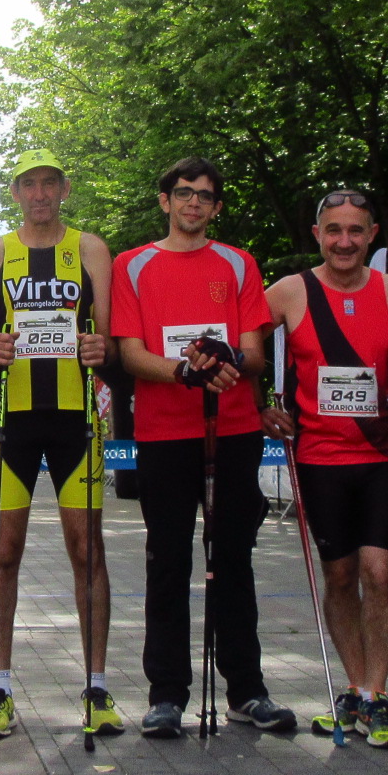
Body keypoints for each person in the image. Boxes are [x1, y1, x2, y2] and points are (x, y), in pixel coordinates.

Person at [111, 156, 292, 738]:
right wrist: (182, 372)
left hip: (232, 428)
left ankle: (247, 690)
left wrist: (227, 362)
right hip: (164, 433)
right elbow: (129, 353)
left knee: (232, 559)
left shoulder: (238, 264)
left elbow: (255, 352)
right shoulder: (131, 265)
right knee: (167, 559)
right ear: (165, 200)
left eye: (206, 196)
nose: (194, 203)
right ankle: (166, 694)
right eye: (184, 193)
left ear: (215, 207)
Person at [0, 150, 122, 741]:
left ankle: (98, 688)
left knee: (88, 554)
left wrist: (100, 349)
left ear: (65, 188)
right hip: (13, 425)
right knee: (4, 553)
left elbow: (109, 337)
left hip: (77, 422)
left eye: (49, 183)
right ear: (14, 193)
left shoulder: (91, 248)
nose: (39, 194)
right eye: (28, 184)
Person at [262, 188, 388, 750]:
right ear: (318, 235)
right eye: (334, 230)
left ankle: (377, 694)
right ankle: (353, 685)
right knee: (341, 576)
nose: (345, 241)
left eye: (356, 230)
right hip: (319, 458)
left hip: (383, 456)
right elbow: (243, 342)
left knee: (382, 573)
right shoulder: (289, 291)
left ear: (372, 233)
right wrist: (263, 402)